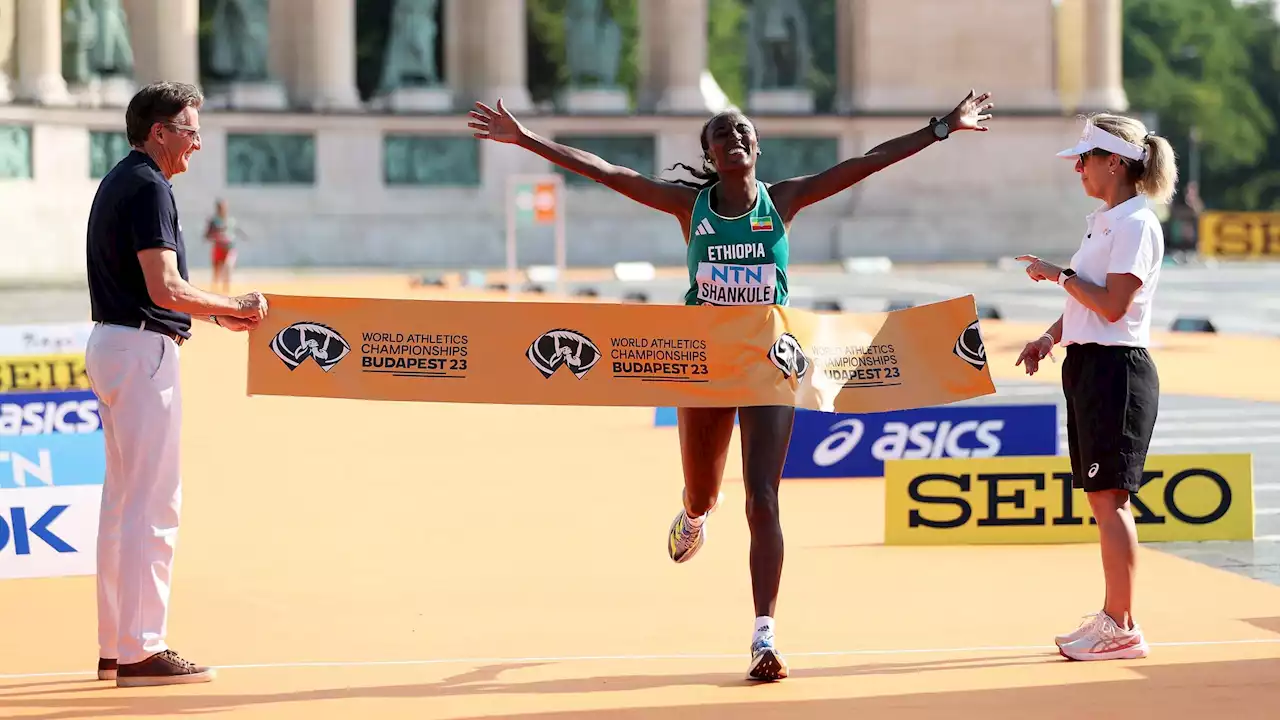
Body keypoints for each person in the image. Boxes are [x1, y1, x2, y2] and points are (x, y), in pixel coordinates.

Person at [468, 90, 994, 680]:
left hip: (770, 361)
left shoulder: (785, 200)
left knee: (762, 497)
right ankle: (693, 517)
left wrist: (942, 128)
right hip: (705, 362)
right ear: (711, 156)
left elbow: (867, 161)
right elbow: (609, 172)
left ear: (757, 148)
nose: (734, 140)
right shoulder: (689, 207)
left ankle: (763, 635)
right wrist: (525, 139)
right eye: (722, 137)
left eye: (742, 132)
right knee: (703, 492)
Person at [84, 81, 269, 687]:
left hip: (114, 343)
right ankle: (141, 648)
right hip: (141, 349)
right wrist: (230, 304)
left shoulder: (122, 179)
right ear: (158, 132)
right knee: (152, 503)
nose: (197, 142)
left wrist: (216, 311)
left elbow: (158, 288)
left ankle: (118, 643)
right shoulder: (149, 186)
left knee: (122, 504)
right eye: (189, 129)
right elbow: (165, 288)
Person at [1013, 112, 1177, 662]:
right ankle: (1113, 615)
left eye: (1084, 159)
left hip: (1117, 371)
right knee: (1101, 497)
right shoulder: (1109, 221)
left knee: (1111, 500)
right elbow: (1089, 300)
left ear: (1115, 163)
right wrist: (1048, 337)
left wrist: (1055, 273)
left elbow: (1111, 305)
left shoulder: (1136, 223)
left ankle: (1122, 624)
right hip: (1090, 366)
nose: (1078, 168)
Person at [204, 198, 242, 293]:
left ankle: (226, 292)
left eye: (224, 207)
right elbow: (206, 236)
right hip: (218, 248)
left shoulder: (230, 220)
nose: (223, 209)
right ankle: (215, 292)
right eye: (221, 207)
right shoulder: (213, 221)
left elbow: (236, 231)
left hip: (229, 248)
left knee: (228, 268)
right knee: (216, 273)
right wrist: (217, 235)